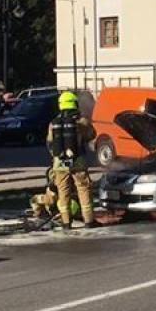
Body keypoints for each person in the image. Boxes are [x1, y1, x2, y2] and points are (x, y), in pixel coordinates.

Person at [47, 91, 96, 229]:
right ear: (74, 104)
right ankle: (89, 221)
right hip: (78, 161)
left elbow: (50, 143)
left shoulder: (53, 124)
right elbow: (92, 135)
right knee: (83, 189)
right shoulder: (81, 122)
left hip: (59, 163)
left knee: (63, 192)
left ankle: (66, 222)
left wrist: (57, 155)